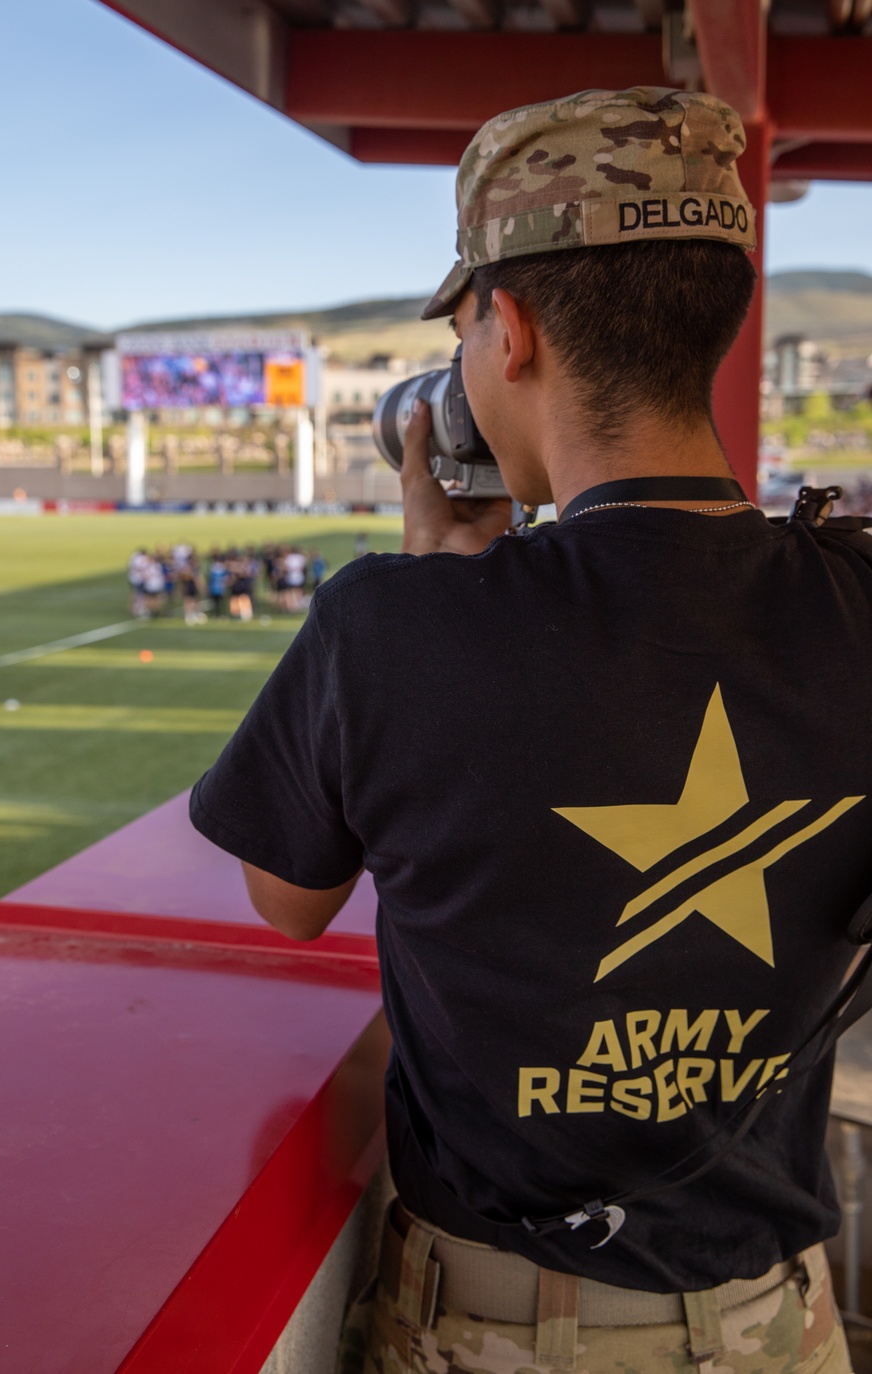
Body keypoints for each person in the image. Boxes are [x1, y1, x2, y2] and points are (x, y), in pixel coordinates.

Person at [189, 88, 867, 1374]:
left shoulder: (389, 629)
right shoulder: (856, 596)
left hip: (496, 1327)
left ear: (508, 329)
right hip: (783, 1319)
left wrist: (432, 572)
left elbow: (284, 898)